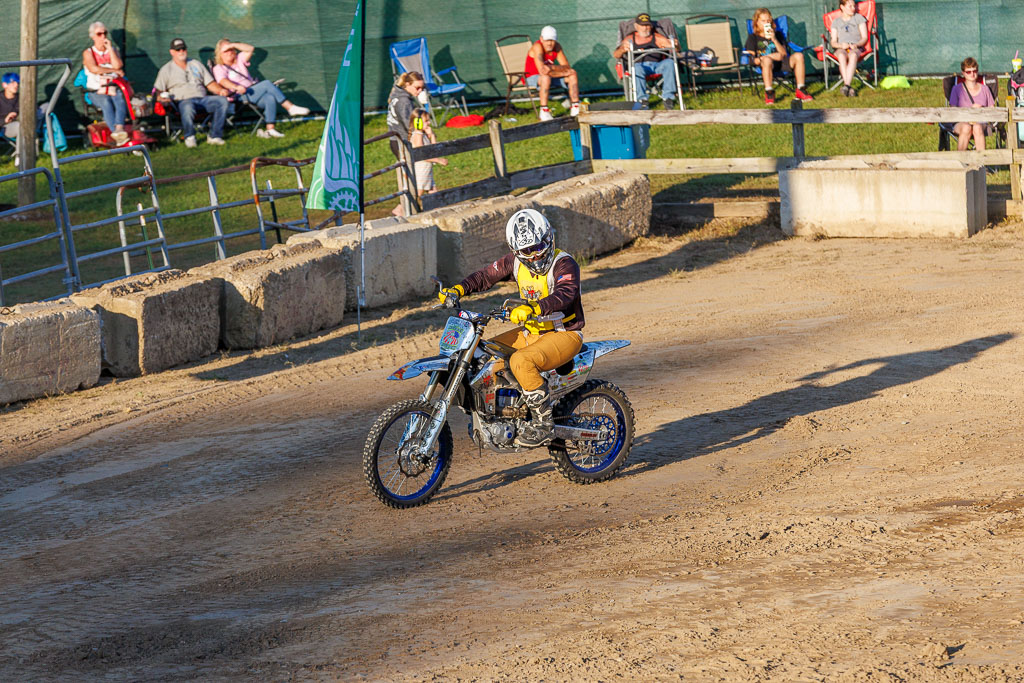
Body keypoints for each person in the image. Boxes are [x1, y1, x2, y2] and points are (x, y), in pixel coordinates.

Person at [438, 209, 584, 447]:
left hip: (563, 333)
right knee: (483, 354)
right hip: (530, 333)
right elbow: (486, 276)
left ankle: (544, 424)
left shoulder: (565, 263)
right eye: (527, 251)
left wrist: (534, 307)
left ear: (549, 238)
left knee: (520, 361)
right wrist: (458, 289)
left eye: (539, 247)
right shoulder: (514, 263)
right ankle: (506, 411)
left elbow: (566, 294)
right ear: (516, 251)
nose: (535, 256)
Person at [212, 39, 309, 139]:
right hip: (239, 96)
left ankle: (270, 129)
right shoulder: (219, 68)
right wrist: (236, 87)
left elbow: (250, 49)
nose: (229, 52)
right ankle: (290, 107)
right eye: (226, 51)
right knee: (267, 84)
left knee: (269, 97)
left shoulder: (239, 59)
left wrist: (231, 45)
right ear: (219, 54)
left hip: (252, 92)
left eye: (231, 49)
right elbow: (223, 81)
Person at [153, 38, 231, 148]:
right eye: (178, 50)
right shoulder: (166, 69)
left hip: (202, 99)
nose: (181, 52)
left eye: (183, 49)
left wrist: (220, 90)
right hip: (181, 101)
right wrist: (161, 98)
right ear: (172, 52)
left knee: (222, 101)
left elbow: (209, 83)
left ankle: (215, 136)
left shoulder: (196, 64)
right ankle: (189, 136)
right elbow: (159, 90)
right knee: (187, 106)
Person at [744, 9, 813, 105]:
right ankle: (769, 93)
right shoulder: (753, 37)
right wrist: (767, 57)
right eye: (763, 21)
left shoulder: (778, 34)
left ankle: (801, 90)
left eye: (768, 20)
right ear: (756, 22)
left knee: (799, 56)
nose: (766, 23)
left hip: (782, 62)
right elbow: (750, 59)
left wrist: (774, 39)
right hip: (766, 66)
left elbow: (783, 53)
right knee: (767, 60)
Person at [612, 12, 678, 110]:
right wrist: (622, 50)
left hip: (658, 65)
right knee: (636, 68)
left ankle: (668, 97)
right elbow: (616, 55)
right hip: (640, 67)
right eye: (642, 25)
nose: (645, 28)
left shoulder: (657, 37)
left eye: (647, 25)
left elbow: (675, 50)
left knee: (670, 63)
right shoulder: (630, 39)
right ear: (636, 26)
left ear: (651, 26)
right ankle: (642, 100)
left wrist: (675, 45)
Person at [81, 22, 130, 144]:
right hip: (96, 91)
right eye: (99, 34)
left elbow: (118, 65)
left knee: (120, 98)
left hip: (113, 87)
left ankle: (119, 129)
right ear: (93, 36)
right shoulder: (88, 53)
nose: (103, 36)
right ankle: (116, 134)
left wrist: (110, 50)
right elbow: (94, 69)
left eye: (105, 33)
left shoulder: (113, 50)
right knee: (106, 102)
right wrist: (114, 70)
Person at [386, 72, 425, 216]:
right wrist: (422, 123)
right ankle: (402, 209)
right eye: (417, 88)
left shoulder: (397, 95)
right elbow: (410, 122)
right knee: (416, 175)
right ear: (407, 84)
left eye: (422, 88)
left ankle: (409, 207)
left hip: (396, 141)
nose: (420, 91)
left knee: (413, 174)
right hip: (402, 142)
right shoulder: (404, 101)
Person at [524, 26, 580, 121]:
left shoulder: (557, 47)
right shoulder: (537, 47)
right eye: (547, 40)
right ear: (541, 39)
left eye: (552, 40)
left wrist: (552, 67)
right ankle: (544, 111)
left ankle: (575, 107)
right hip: (532, 77)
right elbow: (542, 71)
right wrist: (562, 73)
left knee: (572, 74)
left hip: (551, 75)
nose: (550, 43)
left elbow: (567, 66)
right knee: (545, 77)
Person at [949, 57, 995, 151]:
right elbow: (953, 111)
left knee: (977, 127)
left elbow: (992, 110)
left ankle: (981, 159)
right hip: (961, 121)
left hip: (981, 121)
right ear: (963, 73)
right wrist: (970, 110)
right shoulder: (956, 89)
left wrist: (982, 109)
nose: (972, 74)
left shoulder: (985, 89)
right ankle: (960, 158)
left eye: (974, 71)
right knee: (966, 127)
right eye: (968, 72)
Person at [829, 0, 868, 97]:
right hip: (841, 47)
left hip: (855, 47)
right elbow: (833, 42)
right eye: (850, 6)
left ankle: (846, 85)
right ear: (842, 7)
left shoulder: (859, 18)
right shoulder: (836, 22)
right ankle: (848, 87)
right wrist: (841, 45)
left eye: (854, 6)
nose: (853, 8)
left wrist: (857, 44)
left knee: (853, 55)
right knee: (841, 56)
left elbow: (864, 37)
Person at [408, 108, 448, 200]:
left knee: (434, 195)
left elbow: (433, 151)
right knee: (415, 198)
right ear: (417, 122)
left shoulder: (422, 135)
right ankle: (401, 208)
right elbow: (422, 155)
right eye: (426, 121)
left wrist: (432, 135)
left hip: (427, 171)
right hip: (421, 172)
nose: (429, 123)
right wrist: (439, 160)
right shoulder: (418, 135)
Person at [1, 72, 19, 147]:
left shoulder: (22, 97)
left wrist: (16, 114)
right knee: (19, 126)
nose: (16, 85)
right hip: (3, 128)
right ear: (4, 85)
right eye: (13, 82)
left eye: (17, 82)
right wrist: (5, 120)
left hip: (22, 124)